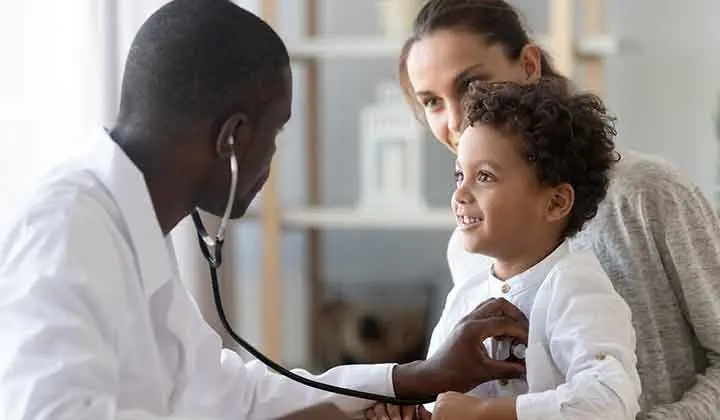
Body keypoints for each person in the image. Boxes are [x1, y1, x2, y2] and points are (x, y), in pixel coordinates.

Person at [0, 1, 532, 419]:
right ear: (232, 138)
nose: (273, 160)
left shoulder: (132, 229)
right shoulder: (65, 230)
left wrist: (416, 376)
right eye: (275, 131)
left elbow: (235, 394)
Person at [366, 0, 720, 419]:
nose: (457, 120)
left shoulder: (647, 195)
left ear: (530, 64)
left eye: (472, 85)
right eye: (432, 103)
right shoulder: (471, 248)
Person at [376, 76, 642, 419]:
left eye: (484, 176)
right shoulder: (466, 297)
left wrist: (487, 412)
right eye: (460, 175)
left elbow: (610, 401)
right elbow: (443, 404)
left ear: (555, 203)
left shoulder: (577, 289)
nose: (460, 195)